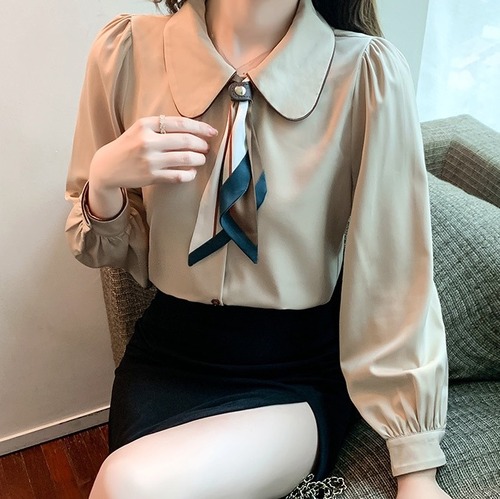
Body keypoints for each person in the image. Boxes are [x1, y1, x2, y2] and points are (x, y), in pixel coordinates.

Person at [65, 0, 451, 497]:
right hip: (167, 357)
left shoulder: (367, 76)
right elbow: (101, 249)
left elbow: (394, 272)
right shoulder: (124, 54)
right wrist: (103, 181)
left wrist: (416, 468)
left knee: (128, 484)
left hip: (291, 371)